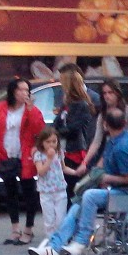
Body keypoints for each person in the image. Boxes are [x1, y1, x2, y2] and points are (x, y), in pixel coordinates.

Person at [28, 107, 128, 255]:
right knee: (76, 205)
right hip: (110, 189)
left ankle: (81, 241)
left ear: (105, 125)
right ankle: (53, 247)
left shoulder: (124, 146)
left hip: (124, 193)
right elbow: (102, 164)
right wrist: (93, 174)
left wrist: (106, 177)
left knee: (89, 196)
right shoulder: (114, 141)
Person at [0, 78, 45, 246]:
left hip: (24, 155)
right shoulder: (1, 107)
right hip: (6, 153)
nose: (24, 93)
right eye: (21, 89)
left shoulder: (31, 110)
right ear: (13, 91)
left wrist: (31, 109)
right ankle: (15, 229)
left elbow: (39, 130)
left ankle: (28, 229)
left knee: (28, 192)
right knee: (10, 192)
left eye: (27, 90)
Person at [73, 80, 128, 187]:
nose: (107, 96)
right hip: (107, 152)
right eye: (104, 93)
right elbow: (97, 140)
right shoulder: (102, 114)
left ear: (117, 93)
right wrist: (85, 162)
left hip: (125, 153)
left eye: (110, 92)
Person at [54, 63, 98, 201]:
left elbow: (74, 129)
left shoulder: (83, 104)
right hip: (66, 149)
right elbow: (58, 122)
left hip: (77, 152)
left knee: (75, 191)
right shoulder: (67, 103)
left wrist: (59, 131)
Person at [30, 125, 68, 251]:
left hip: (60, 189)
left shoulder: (60, 153)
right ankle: (51, 242)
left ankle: (61, 242)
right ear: (42, 143)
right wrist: (49, 159)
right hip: (46, 191)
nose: (51, 145)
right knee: (49, 219)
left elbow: (63, 168)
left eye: (54, 141)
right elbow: (41, 171)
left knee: (60, 219)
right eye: (48, 142)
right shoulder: (39, 155)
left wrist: (76, 172)